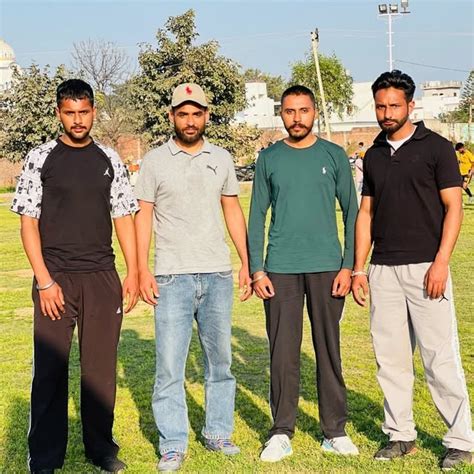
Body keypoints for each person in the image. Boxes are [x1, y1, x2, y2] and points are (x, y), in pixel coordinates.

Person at [11, 79, 139, 473]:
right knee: (50, 370)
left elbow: (124, 216)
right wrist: (45, 281)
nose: (78, 120)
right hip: (56, 278)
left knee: (100, 370)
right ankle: (44, 457)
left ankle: (101, 450)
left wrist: (133, 271)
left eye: (84, 112)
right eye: (70, 113)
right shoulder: (41, 158)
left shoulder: (109, 159)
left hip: (101, 277)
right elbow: (28, 223)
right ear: (59, 114)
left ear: (94, 112)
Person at [351, 70, 473, 470]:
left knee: (440, 359)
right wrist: (359, 269)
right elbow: (366, 214)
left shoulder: (437, 148)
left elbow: (454, 208)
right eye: (381, 106)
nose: (387, 113)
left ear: (410, 105)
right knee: (391, 360)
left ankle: (460, 441)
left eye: (394, 105)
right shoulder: (372, 154)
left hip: (427, 267)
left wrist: (441, 262)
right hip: (383, 269)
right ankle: (400, 435)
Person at [134, 83, 252, 472]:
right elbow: (143, 215)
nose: (189, 120)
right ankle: (173, 443)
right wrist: (142, 269)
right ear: (172, 116)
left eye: (196, 113)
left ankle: (218, 432)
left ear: (206, 116)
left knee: (220, 362)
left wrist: (246, 262)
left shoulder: (221, 158)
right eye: (182, 114)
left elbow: (232, 209)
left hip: (217, 274)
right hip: (171, 277)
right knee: (170, 366)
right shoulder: (154, 161)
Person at [248, 85, 359, 462]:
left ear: (314, 112)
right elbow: (256, 216)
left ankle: (335, 431)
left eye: (304, 110)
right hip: (280, 268)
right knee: (283, 353)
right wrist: (257, 269)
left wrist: (348, 265)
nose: (297, 118)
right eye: (290, 111)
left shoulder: (334, 155)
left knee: (329, 350)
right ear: (281, 114)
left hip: (328, 268)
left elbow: (353, 212)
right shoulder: (269, 158)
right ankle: (281, 431)